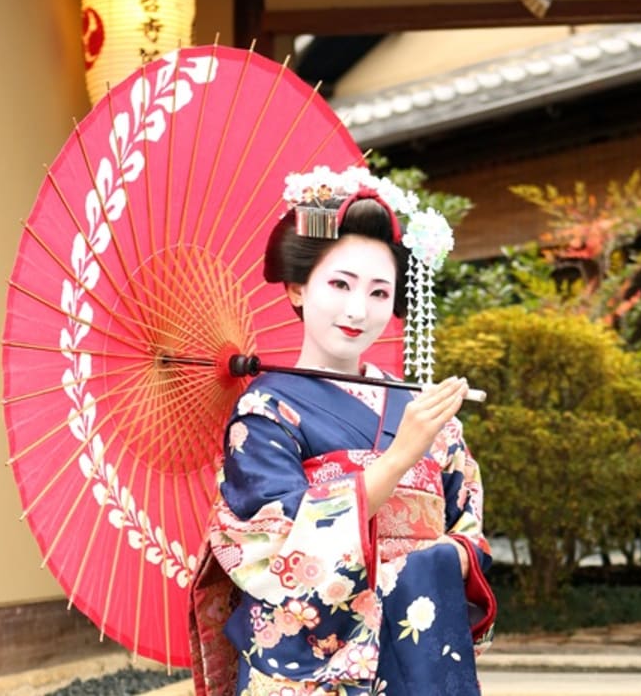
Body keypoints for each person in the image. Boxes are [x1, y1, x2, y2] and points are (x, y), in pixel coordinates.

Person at [189, 166, 496, 696]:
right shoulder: (265, 413)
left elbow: (468, 529)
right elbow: (274, 553)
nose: (359, 310)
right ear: (297, 288)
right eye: (339, 284)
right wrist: (400, 458)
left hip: (416, 651)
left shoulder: (422, 409)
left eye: (380, 293)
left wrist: (435, 566)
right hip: (310, 670)